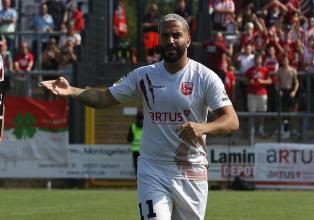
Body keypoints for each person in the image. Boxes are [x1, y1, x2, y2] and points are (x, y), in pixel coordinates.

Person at [40, 14, 239, 219]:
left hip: (191, 169)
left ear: (188, 39)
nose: (170, 40)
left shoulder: (205, 77)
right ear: (158, 39)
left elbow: (231, 120)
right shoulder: (143, 75)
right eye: (165, 35)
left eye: (176, 35)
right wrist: (71, 90)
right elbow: (103, 98)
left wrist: (202, 128)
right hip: (153, 168)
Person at [127, 111, 143, 176]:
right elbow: (128, 138)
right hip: (139, 150)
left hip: (139, 150)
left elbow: (128, 138)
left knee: (138, 168)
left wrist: (130, 138)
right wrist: (130, 138)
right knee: (138, 168)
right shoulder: (133, 126)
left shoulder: (133, 126)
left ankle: (139, 182)